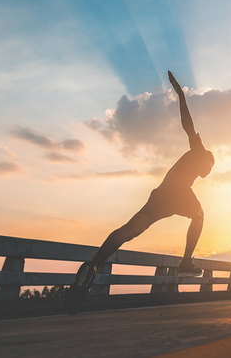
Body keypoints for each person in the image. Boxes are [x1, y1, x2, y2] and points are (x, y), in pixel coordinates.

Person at [66, 71, 214, 308]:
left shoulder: (187, 164)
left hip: (160, 196)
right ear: (207, 159)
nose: (209, 170)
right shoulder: (199, 151)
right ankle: (186, 264)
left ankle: (92, 265)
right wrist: (181, 95)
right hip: (177, 191)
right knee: (199, 215)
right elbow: (188, 125)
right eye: (211, 165)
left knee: (129, 230)